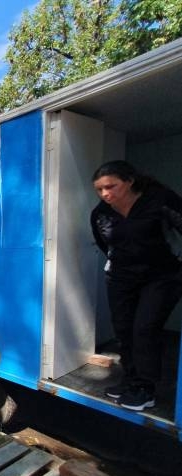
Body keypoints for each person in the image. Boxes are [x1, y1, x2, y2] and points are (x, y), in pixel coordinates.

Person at [90, 160, 182, 411]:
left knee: (145, 329)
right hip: (121, 278)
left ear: (130, 181)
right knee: (124, 330)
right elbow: (104, 244)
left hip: (161, 276)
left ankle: (145, 389)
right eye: (99, 189)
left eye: (111, 186)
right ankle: (130, 380)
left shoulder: (159, 199)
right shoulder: (101, 213)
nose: (105, 193)